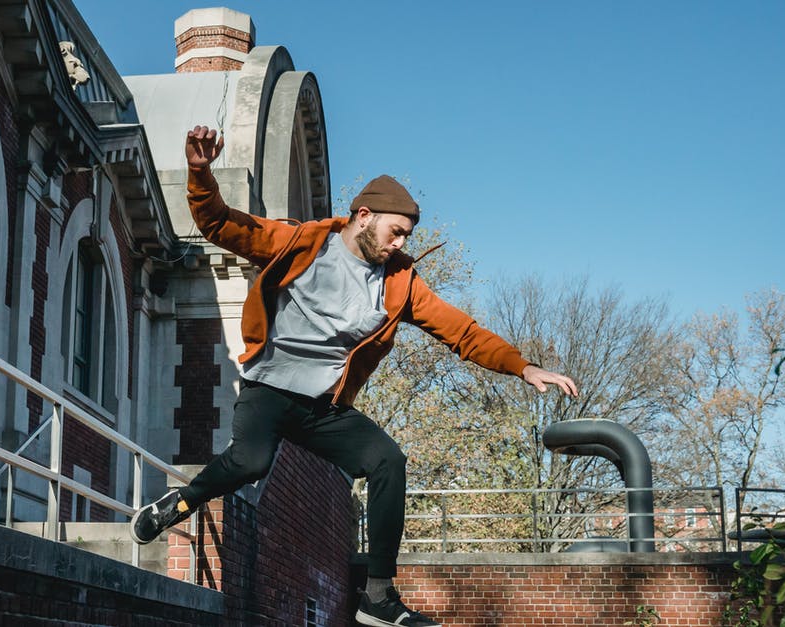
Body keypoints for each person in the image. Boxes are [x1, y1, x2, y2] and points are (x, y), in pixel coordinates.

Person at [132, 126, 579, 627]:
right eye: (396, 231)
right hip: (269, 390)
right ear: (363, 216)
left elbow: (462, 331)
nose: (401, 243)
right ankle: (182, 501)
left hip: (323, 407)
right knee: (251, 461)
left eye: (407, 235)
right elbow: (221, 225)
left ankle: (378, 597)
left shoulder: (400, 284)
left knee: (388, 459)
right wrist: (199, 171)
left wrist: (523, 366)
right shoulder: (300, 242)